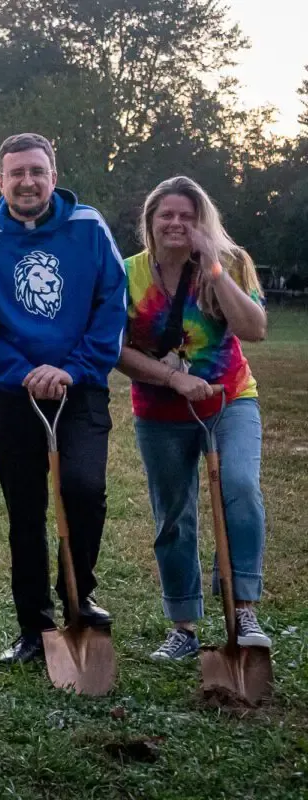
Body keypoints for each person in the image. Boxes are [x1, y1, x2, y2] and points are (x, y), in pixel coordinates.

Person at [0, 132, 126, 665]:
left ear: (54, 174)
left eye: (36, 171)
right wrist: (23, 371)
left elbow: (111, 304)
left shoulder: (89, 228)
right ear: (0, 181)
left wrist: (72, 370)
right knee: (25, 512)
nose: (27, 182)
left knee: (83, 485)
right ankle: (34, 627)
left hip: (81, 390)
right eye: (16, 174)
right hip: (16, 396)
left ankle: (80, 594)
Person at [115, 176, 271, 660]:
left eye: (187, 215)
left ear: (202, 222)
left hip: (229, 400)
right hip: (160, 411)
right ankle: (183, 625)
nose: (176, 223)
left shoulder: (232, 263)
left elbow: (255, 329)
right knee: (173, 515)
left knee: (241, 488)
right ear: (151, 222)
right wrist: (172, 380)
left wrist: (216, 269)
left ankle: (242, 608)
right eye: (167, 215)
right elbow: (114, 349)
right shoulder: (128, 273)